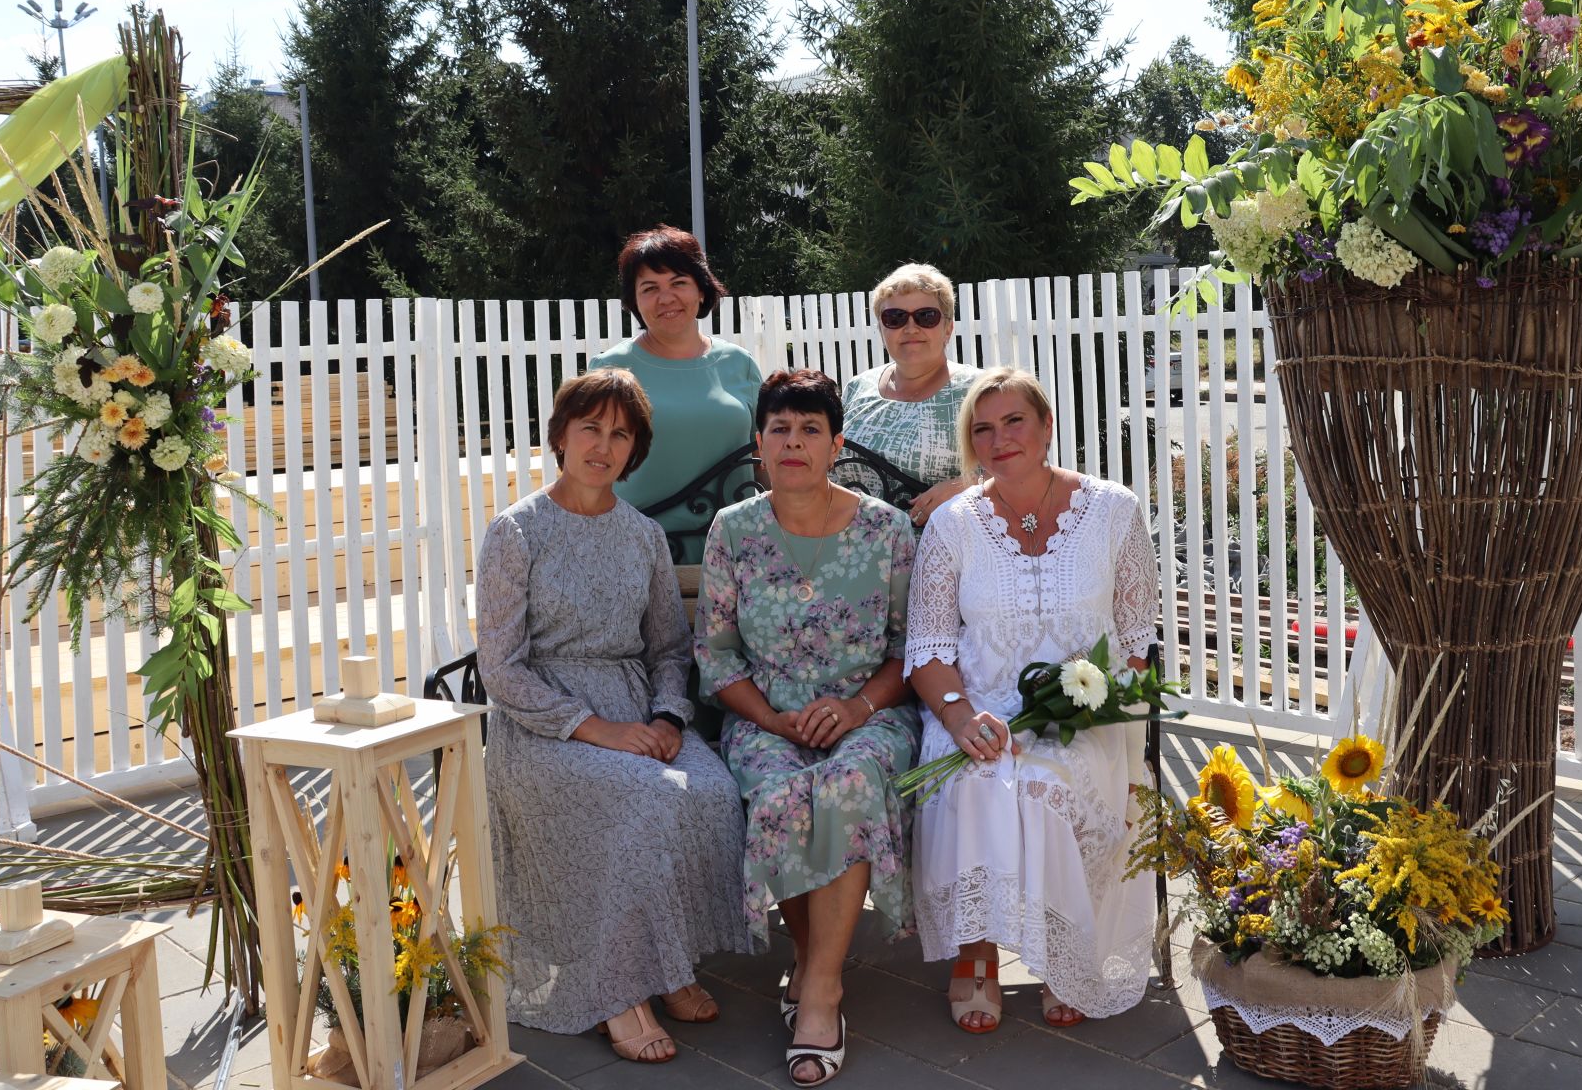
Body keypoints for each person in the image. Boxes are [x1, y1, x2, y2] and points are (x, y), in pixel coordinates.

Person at [478, 369, 749, 1064]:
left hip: (638, 711)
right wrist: (597, 730)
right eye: (590, 427)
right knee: (640, 799)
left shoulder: (642, 537)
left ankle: (670, 965)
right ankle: (618, 993)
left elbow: (666, 646)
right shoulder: (516, 531)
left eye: (620, 433)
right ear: (561, 435)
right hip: (544, 727)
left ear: (635, 450)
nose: (603, 444)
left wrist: (665, 717)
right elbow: (502, 668)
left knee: (712, 793)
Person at [905, 366, 1158, 1030]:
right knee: (977, 782)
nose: (999, 438)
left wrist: (1092, 707)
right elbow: (927, 646)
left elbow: (1136, 636)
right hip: (978, 700)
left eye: (1014, 420)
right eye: (981, 429)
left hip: (1091, 707)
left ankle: (1066, 955)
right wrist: (961, 719)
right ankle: (976, 952)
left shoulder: (1114, 510)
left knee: (1050, 788)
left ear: (1046, 426)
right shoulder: (952, 525)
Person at [696, 369, 920, 1087]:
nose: (794, 442)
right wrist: (772, 718)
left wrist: (856, 710)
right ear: (759, 444)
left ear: (836, 444)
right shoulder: (733, 530)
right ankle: (815, 962)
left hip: (870, 711)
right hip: (766, 714)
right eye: (780, 430)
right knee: (780, 793)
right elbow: (716, 654)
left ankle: (818, 989)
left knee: (849, 784)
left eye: (810, 430)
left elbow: (908, 649)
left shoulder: (887, 528)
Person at [589, 226, 762, 563]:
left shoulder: (739, 364)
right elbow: (589, 465)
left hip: (739, 557)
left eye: (678, 282)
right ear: (634, 301)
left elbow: (764, 462)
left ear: (701, 289)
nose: (666, 298)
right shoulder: (611, 368)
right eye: (650, 288)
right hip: (639, 558)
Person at [840, 263, 978, 526]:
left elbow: (1023, 469)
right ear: (881, 330)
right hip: (855, 553)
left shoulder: (978, 390)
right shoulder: (858, 388)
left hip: (944, 554)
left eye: (926, 317)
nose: (911, 327)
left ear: (948, 328)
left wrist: (966, 486)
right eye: (895, 318)